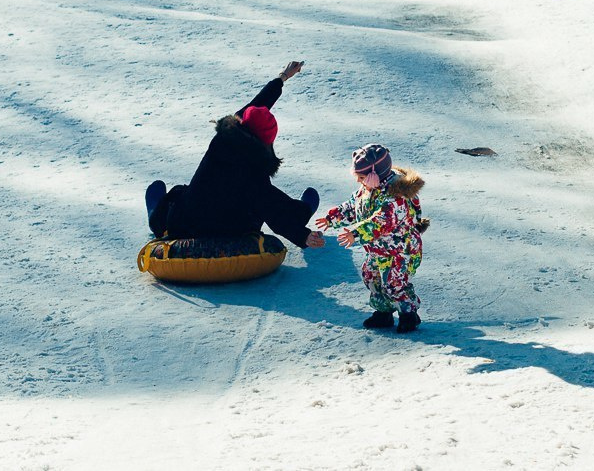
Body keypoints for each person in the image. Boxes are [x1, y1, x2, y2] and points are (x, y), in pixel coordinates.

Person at [145, 61, 325, 252]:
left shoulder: (223, 139)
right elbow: (273, 211)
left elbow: (256, 105)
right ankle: (302, 210)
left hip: (186, 224)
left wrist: (283, 77)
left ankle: (156, 216)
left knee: (179, 195)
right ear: (267, 141)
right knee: (272, 203)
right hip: (233, 232)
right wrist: (302, 235)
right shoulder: (255, 173)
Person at [315, 144, 428, 333]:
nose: (359, 182)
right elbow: (352, 206)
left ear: (375, 174)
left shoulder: (396, 198)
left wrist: (356, 233)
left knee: (394, 283)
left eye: (361, 178)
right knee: (371, 277)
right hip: (378, 250)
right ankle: (383, 312)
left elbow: (380, 222)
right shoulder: (367, 189)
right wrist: (332, 218)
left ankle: (409, 314)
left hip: (400, 251)